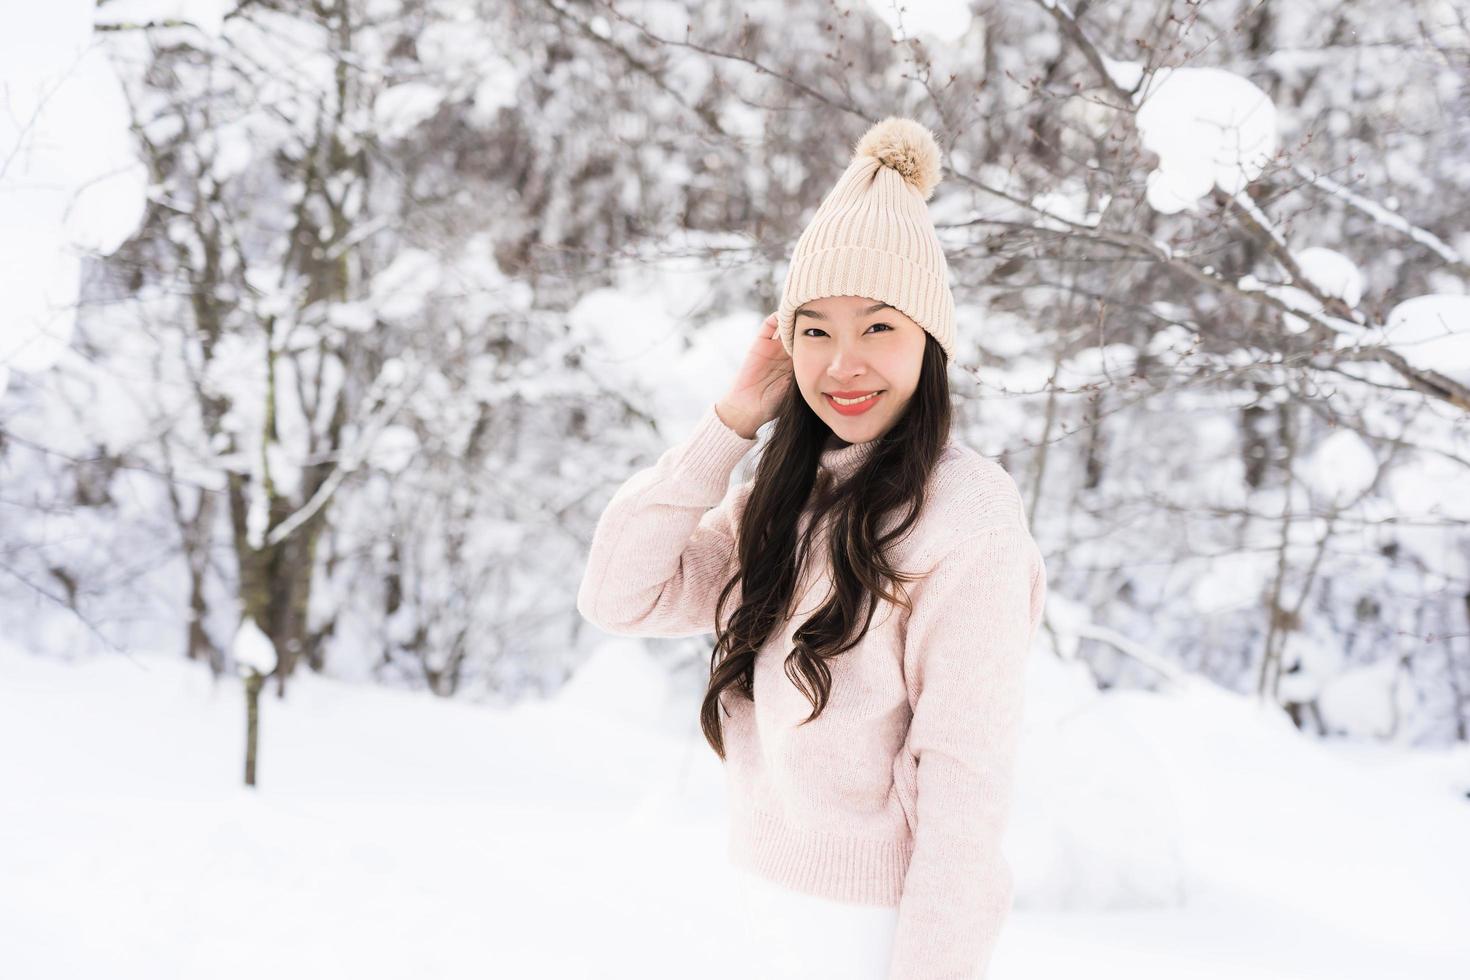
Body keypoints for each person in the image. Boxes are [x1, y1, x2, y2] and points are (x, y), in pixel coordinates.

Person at [576, 117, 1047, 980]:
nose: (844, 365)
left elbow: (964, 782)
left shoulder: (969, 516)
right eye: (817, 330)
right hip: (753, 908)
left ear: (930, 344)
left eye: (878, 328)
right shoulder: (782, 497)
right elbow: (618, 594)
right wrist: (729, 423)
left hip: (873, 932)